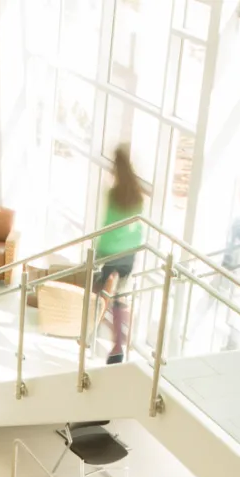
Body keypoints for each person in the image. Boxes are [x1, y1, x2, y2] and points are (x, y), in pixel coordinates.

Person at [95, 146, 144, 366]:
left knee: (99, 292)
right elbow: (138, 227)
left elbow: (108, 225)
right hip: (129, 254)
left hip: (111, 252)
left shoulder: (113, 193)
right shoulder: (137, 195)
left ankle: (104, 333)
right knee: (119, 298)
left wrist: (98, 251)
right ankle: (119, 342)